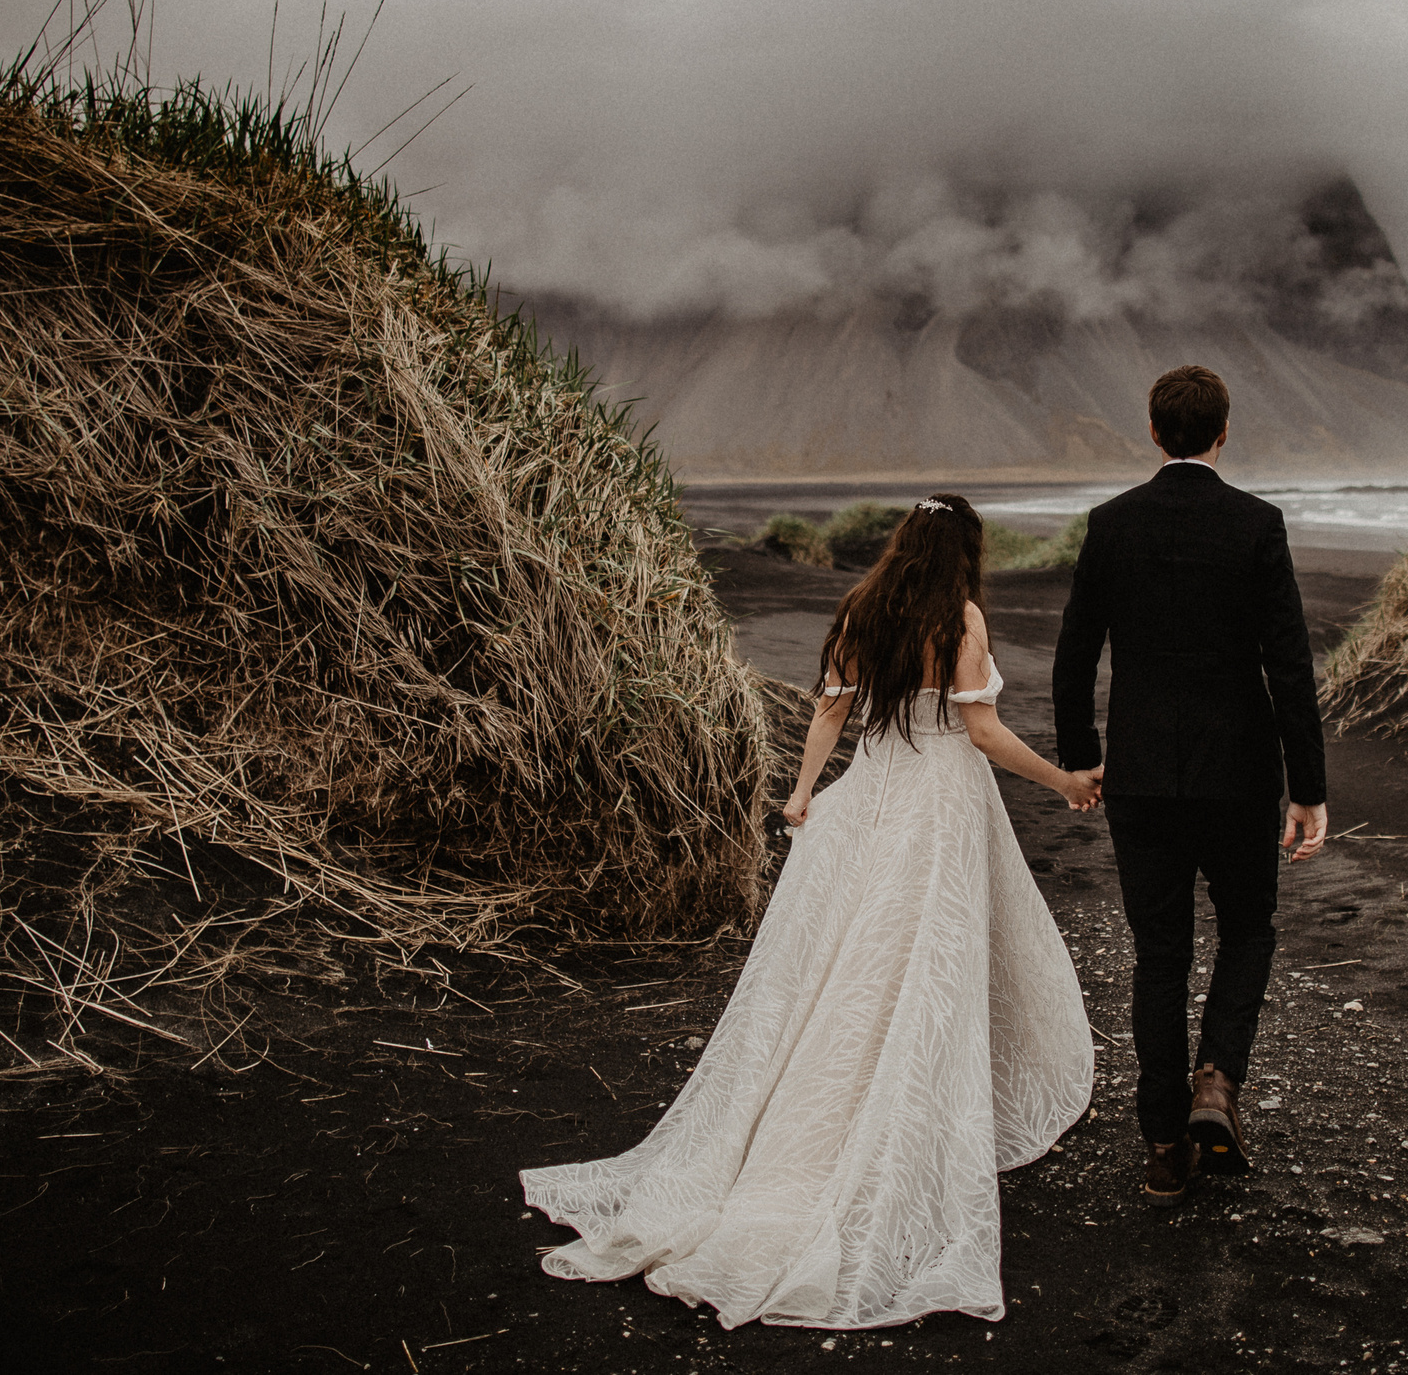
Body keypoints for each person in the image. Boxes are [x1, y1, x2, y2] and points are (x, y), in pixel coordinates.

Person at [520, 493, 1103, 1331]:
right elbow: (980, 731)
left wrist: (801, 794)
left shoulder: (864, 608)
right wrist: (1063, 780)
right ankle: (904, 1119)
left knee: (860, 951)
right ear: (964, 552)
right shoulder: (960, 619)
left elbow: (832, 711)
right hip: (940, 805)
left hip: (872, 792)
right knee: (925, 957)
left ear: (904, 541)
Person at [1052, 364, 1327, 1206]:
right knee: (1248, 928)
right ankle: (1217, 1080)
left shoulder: (1112, 524)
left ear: (1152, 432)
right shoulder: (1257, 524)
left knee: (1161, 953)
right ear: (1222, 431)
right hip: (1239, 774)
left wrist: (1081, 756)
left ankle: (1166, 1146)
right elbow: (1289, 665)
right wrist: (1307, 787)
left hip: (1141, 776)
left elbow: (1074, 654)